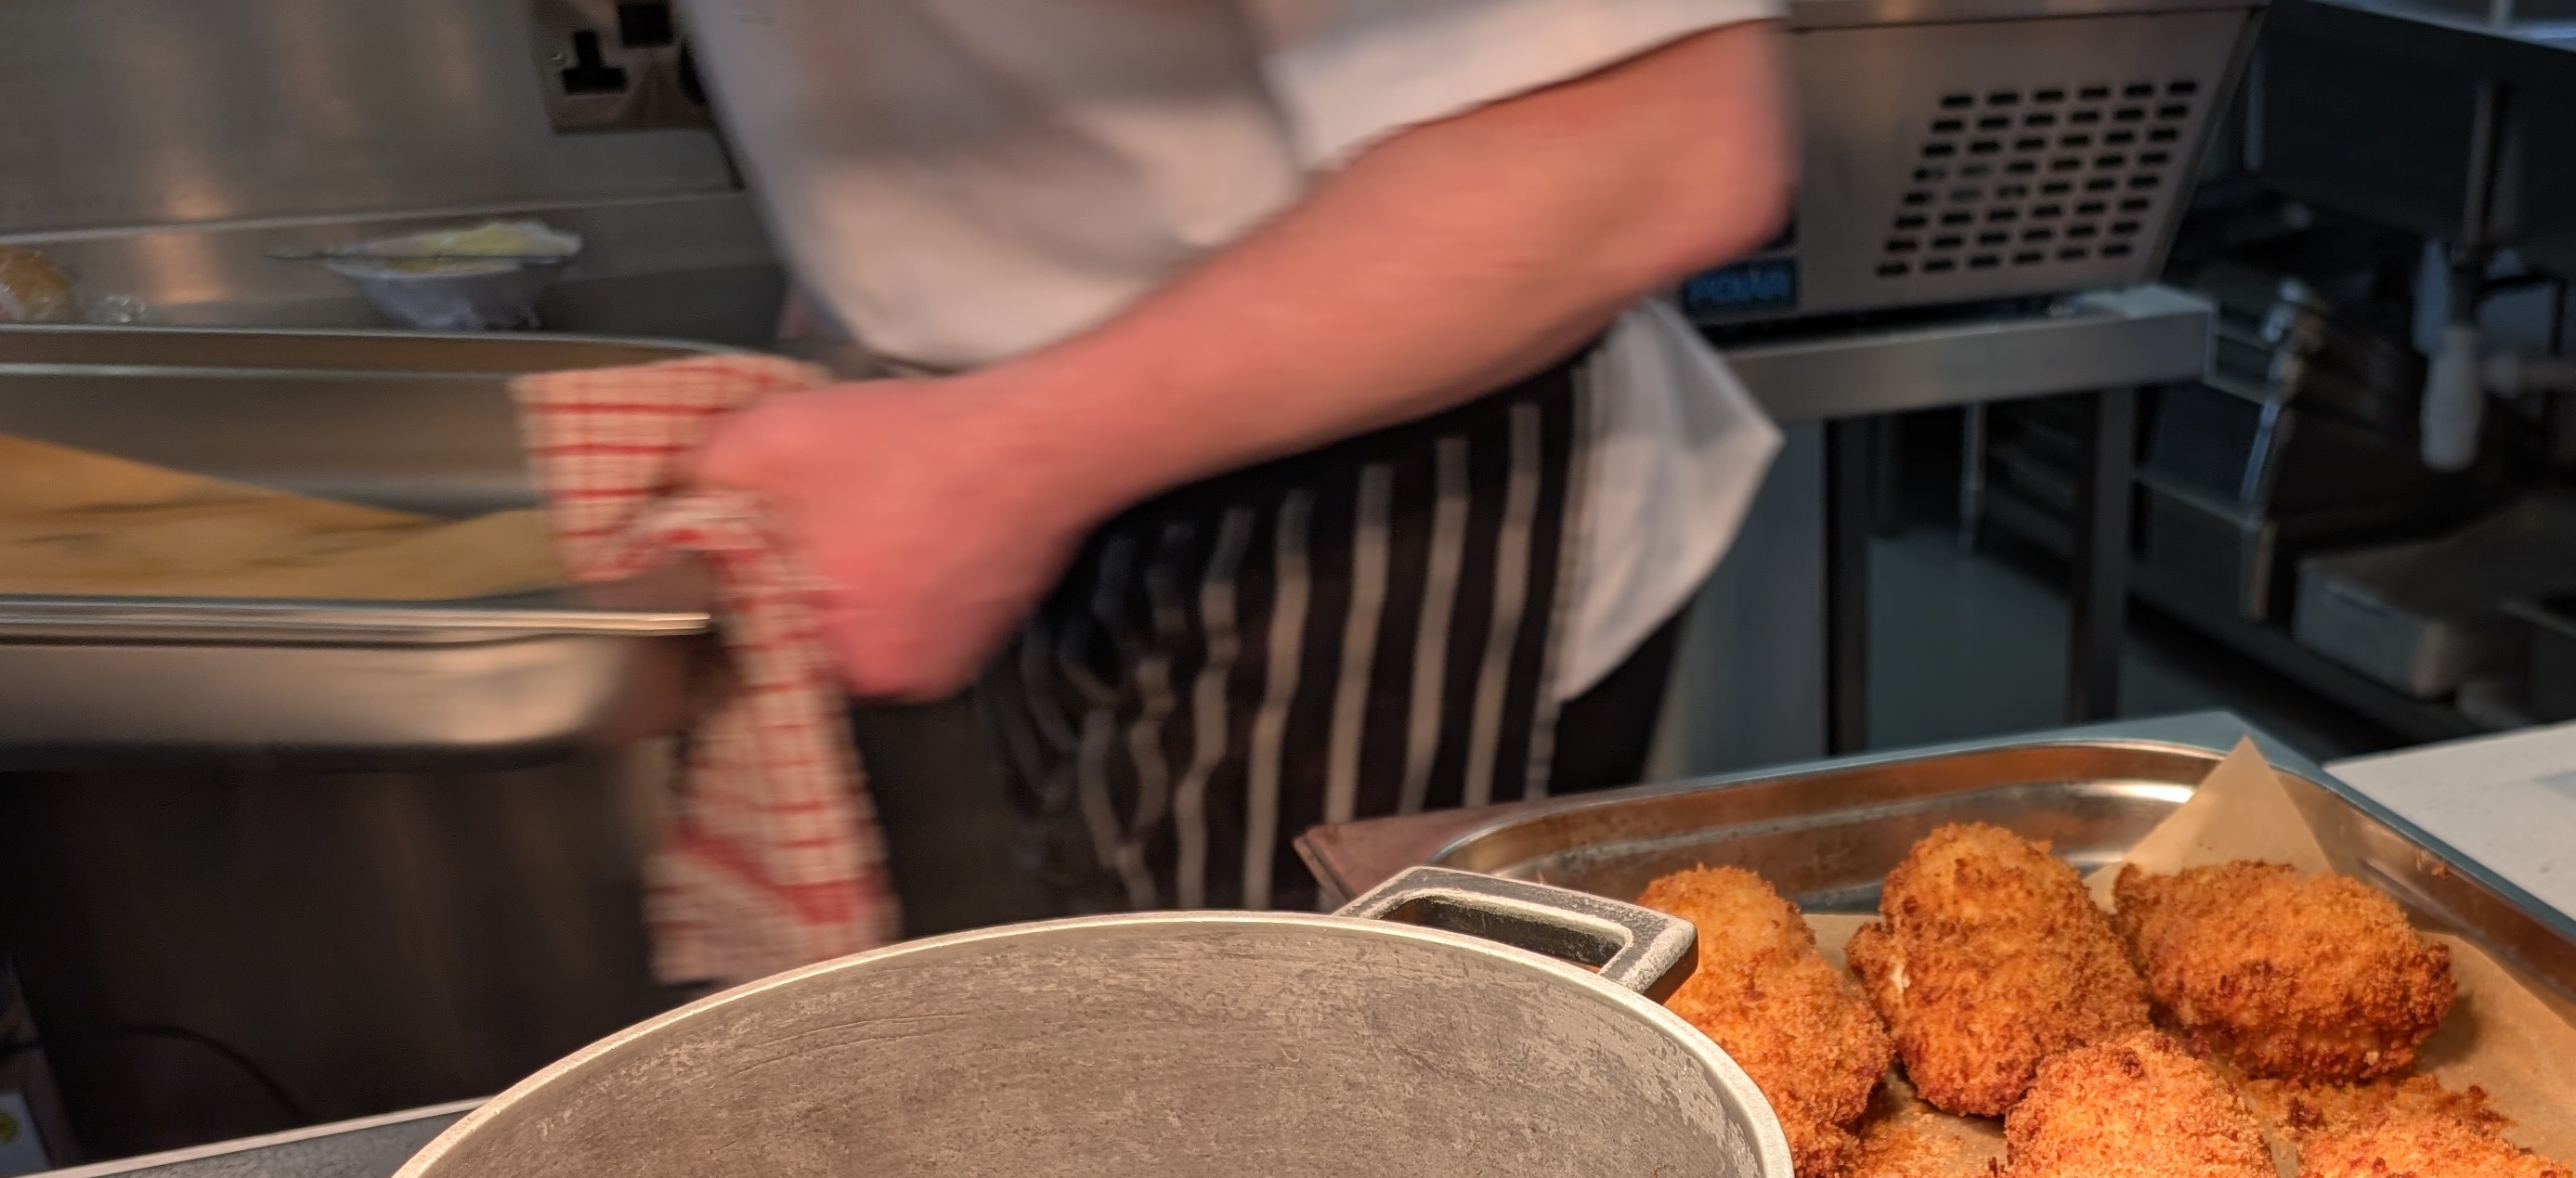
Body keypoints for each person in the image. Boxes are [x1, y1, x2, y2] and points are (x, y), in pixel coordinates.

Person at [675, 0, 1794, 912]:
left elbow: (1645, 133)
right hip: (1025, 453)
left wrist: (990, 468)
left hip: (1380, 503)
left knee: (1309, 1121)